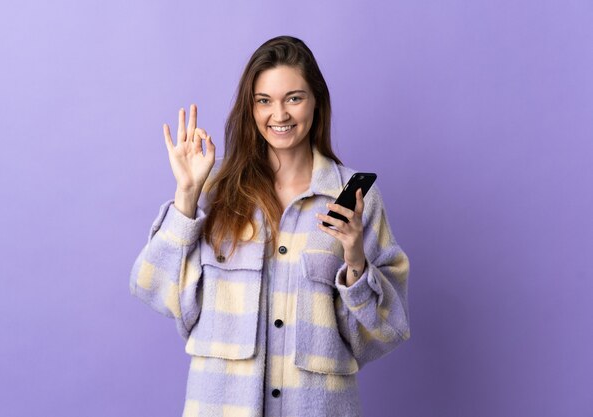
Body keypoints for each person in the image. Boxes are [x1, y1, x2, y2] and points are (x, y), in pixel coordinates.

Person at [129, 35, 410, 417]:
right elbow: (153, 288)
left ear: (316, 102)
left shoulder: (355, 200)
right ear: (251, 108)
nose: (279, 115)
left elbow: (381, 334)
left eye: (294, 98)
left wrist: (356, 262)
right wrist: (187, 195)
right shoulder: (215, 195)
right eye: (264, 101)